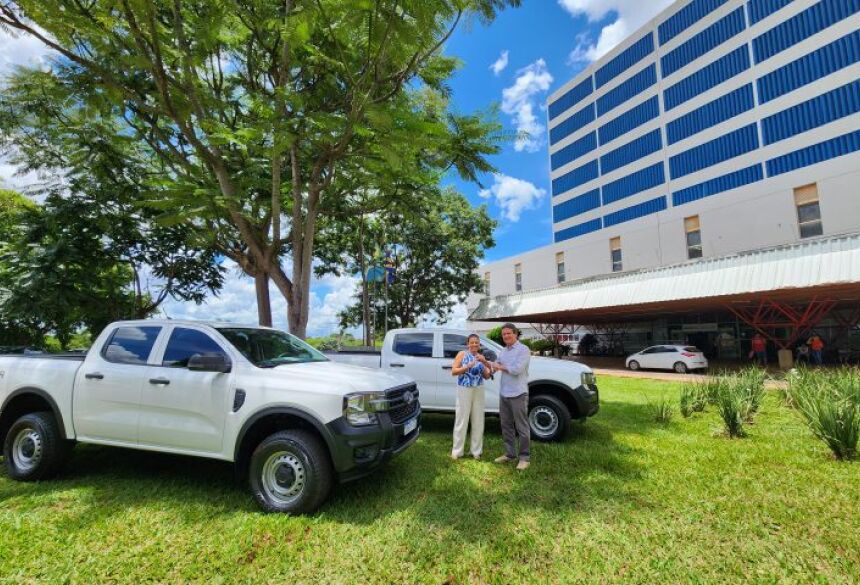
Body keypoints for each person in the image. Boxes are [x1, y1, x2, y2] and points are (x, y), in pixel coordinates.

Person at [492, 323, 532, 471]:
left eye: (509, 333)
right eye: (504, 334)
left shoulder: (523, 350)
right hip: (504, 393)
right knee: (506, 425)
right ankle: (510, 454)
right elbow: (496, 365)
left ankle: (524, 458)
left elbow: (516, 370)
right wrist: (488, 366)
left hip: (518, 393)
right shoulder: (503, 351)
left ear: (515, 334)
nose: (506, 336)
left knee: (522, 427)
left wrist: (498, 367)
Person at [450, 334, 492, 460]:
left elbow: (486, 376)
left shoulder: (480, 357)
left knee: (478, 420)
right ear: (468, 344)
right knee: (462, 419)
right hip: (464, 389)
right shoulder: (462, 354)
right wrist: (467, 366)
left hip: (478, 389)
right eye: (472, 342)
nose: (474, 345)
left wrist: (484, 362)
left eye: (476, 343)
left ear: (479, 345)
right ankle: (457, 451)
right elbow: (453, 371)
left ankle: (476, 451)